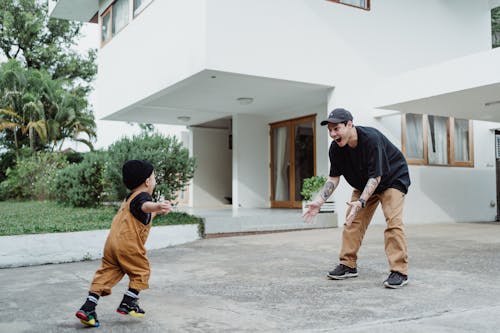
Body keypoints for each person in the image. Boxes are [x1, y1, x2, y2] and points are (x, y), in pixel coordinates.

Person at [303, 108, 410, 289]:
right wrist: (319, 201)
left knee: (393, 222)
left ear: (350, 124)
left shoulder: (371, 140)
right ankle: (348, 265)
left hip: (392, 179)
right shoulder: (336, 149)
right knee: (352, 222)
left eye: (336, 128)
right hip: (364, 184)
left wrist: (360, 202)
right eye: (330, 130)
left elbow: (376, 177)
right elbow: (333, 178)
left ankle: (399, 271)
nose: (332, 134)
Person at [75, 159, 173, 327]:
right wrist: (157, 205)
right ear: (147, 181)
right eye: (154, 177)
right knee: (141, 270)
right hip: (128, 245)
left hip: (112, 245)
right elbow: (145, 206)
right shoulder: (143, 197)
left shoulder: (130, 199)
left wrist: (157, 211)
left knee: (106, 274)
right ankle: (128, 302)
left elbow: (142, 214)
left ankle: (88, 308)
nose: (155, 181)